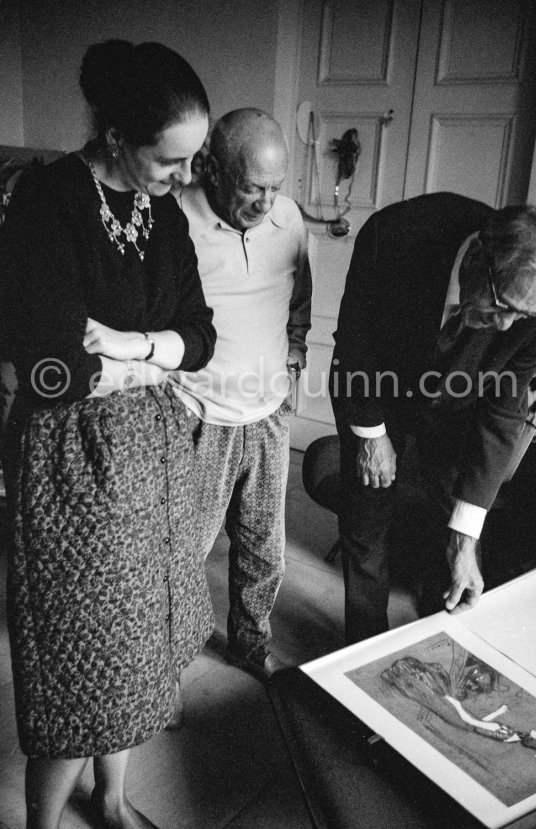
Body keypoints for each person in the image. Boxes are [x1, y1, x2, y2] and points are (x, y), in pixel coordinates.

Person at [0, 40, 216, 829]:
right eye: (171, 160)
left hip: (151, 453)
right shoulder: (48, 201)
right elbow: (50, 365)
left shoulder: (163, 212)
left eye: (192, 160)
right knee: (78, 661)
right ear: (118, 136)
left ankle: (113, 798)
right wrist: (151, 360)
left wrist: (130, 349)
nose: (184, 178)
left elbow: (201, 336)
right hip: (69, 461)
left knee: (135, 647)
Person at [330, 192, 536, 644]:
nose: (507, 326)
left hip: (459, 406)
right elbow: (356, 338)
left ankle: (437, 639)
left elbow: (503, 409)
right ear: (476, 259)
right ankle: (363, 645)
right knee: (367, 519)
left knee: (450, 526)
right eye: (502, 306)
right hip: (378, 390)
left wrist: (466, 535)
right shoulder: (394, 237)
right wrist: (372, 434)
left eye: (524, 315)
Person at [172, 108, 311, 680]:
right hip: (199, 411)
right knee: (184, 551)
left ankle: (250, 645)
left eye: (276, 187)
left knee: (263, 547)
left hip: (268, 412)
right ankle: (167, 662)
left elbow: (299, 296)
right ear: (215, 170)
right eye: (253, 187)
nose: (266, 202)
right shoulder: (174, 218)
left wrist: (295, 352)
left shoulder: (289, 217)